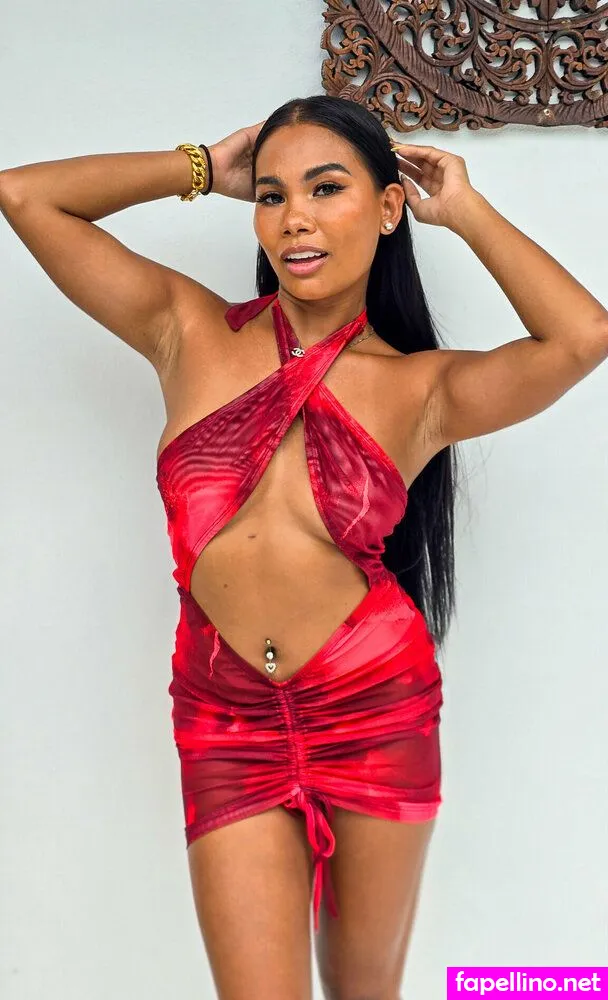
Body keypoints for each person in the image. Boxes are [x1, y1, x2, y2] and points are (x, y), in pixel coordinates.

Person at [1, 94, 606, 1000]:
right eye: (273, 195)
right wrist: (199, 167)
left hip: (374, 710)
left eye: (327, 189)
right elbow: (24, 195)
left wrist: (467, 210)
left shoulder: (421, 389)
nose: (296, 218)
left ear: (389, 207)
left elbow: (583, 336)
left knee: (364, 992)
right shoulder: (186, 330)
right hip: (226, 718)